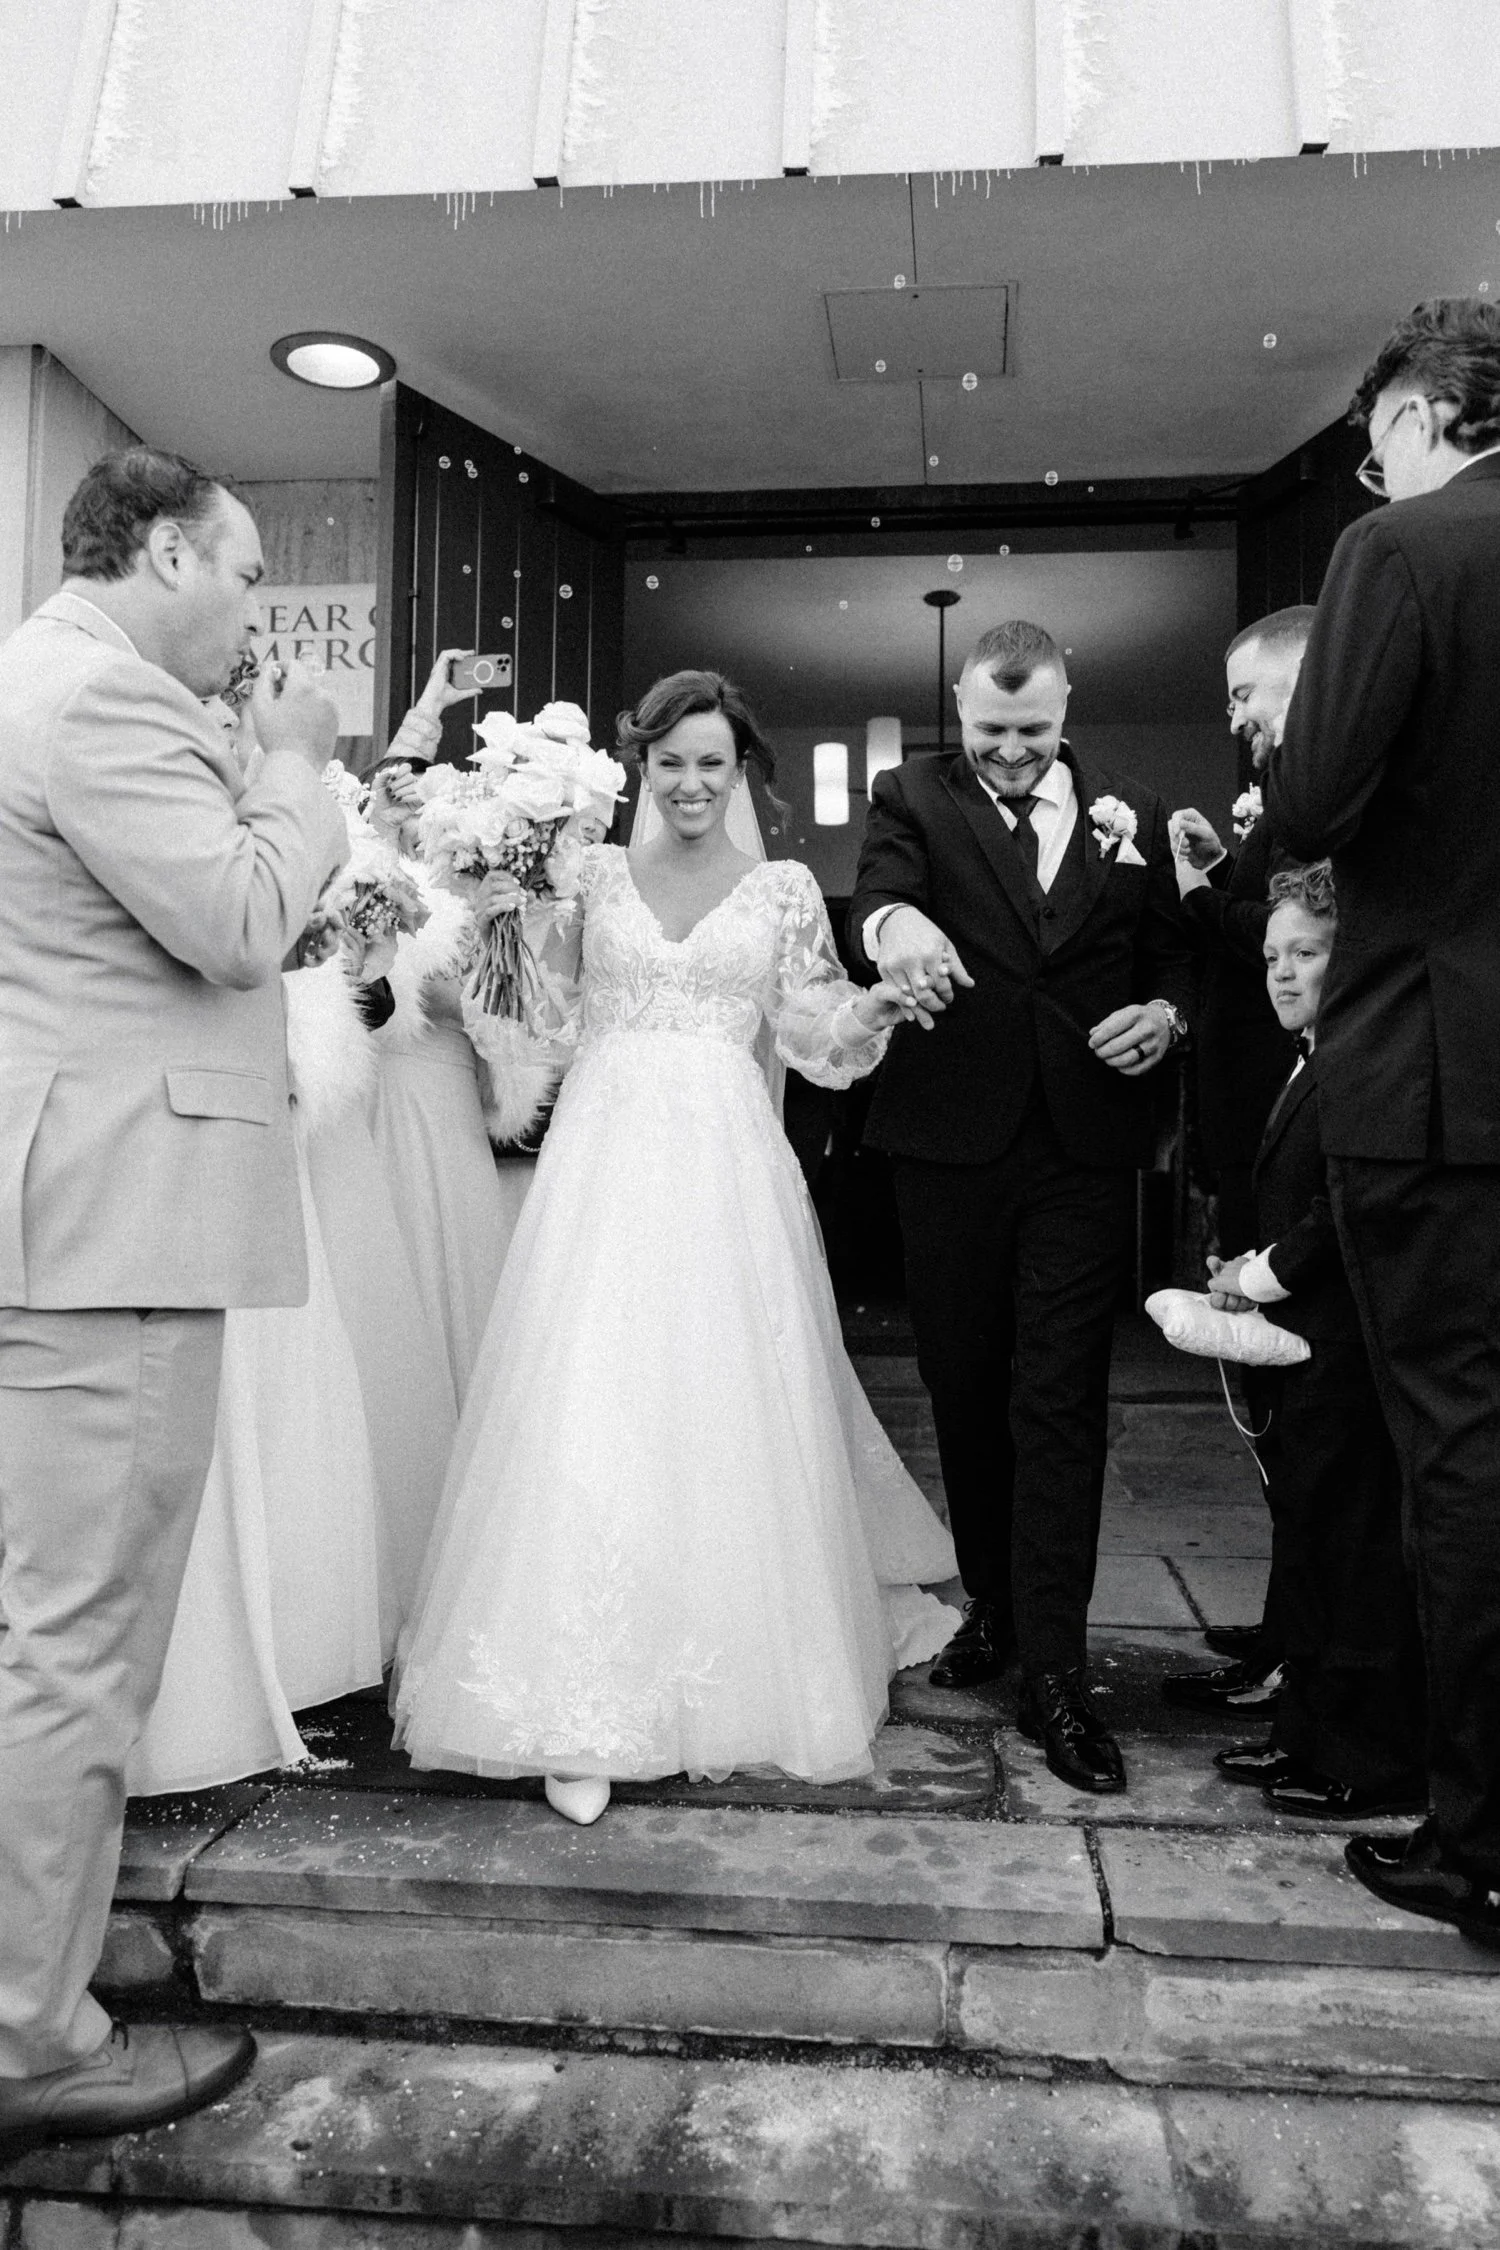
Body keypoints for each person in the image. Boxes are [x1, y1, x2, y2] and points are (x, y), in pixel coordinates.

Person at [393, 669, 960, 1826]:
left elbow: (811, 1029)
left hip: (725, 1173)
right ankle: (574, 1696)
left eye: (712, 762)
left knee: (716, 1407)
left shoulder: (786, 886)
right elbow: (541, 1020)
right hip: (601, 1166)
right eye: (670, 763)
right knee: (590, 1400)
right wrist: (503, 916)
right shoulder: (590, 872)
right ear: (640, 770)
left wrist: (874, 1013)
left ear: (742, 769)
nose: (692, 783)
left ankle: (724, 1667)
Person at [0, 448, 346, 2154]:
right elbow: (237, 916)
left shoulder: (29, 678)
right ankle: (31, 2041)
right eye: (242, 571)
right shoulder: (98, 701)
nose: (255, 610)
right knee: (77, 1647)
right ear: (154, 550)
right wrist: (295, 769)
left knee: (41, 1633)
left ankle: (28, 1957)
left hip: (57, 1212)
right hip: (105, 1238)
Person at [847, 619, 1193, 1795]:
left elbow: (1177, 949)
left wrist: (1169, 1016)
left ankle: (1055, 1667)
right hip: (948, 1144)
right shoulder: (910, 793)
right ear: (959, 701)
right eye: (991, 731)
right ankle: (991, 1603)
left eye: (1032, 732)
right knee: (965, 1381)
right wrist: (902, 935)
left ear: (1067, 704)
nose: (1009, 753)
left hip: (1082, 1148)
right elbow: (877, 904)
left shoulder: (1134, 811)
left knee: (1059, 1396)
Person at [1265, 294, 1500, 1944]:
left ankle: (1480, 1837)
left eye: (1374, 446)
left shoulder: (1403, 556)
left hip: (1434, 1073)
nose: (1369, 475)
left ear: (1426, 412)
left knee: (1461, 1447)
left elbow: (1317, 801)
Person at [1193, 863, 1425, 1818]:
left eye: (1307, 954)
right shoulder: (1313, 1055)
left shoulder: (1359, 1062)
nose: (1283, 974)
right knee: (1317, 1545)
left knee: (1355, 1551)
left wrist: (1254, 1277)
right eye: (1272, 957)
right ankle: (1307, 1737)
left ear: (1351, 957)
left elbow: (1341, 1212)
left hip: (1353, 1350)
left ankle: (1363, 1759)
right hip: (1312, 1348)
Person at [1160, 610, 1306, 1709]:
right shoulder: (1291, 793)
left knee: (1293, 1403)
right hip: (1247, 1136)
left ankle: (1306, 1651)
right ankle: (1287, 1625)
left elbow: (1287, 938)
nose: (1236, 716)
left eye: (1246, 693)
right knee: (1269, 1410)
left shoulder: (1324, 790)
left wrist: (1200, 893)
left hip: (1285, 1142)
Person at [365, 652, 518, 1402]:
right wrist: (429, 703)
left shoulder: (488, 881)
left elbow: (502, 1010)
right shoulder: (381, 864)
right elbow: (369, 828)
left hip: (447, 1093)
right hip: (376, 1091)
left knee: (454, 1267)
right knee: (382, 1265)